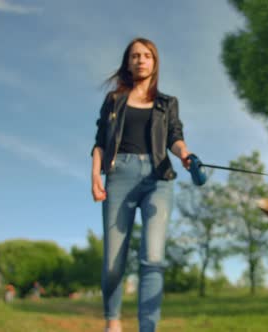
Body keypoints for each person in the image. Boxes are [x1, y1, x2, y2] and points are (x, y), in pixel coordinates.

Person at [90, 37, 192, 332]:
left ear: (154, 61)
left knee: (153, 258)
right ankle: (113, 321)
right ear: (128, 62)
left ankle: (148, 328)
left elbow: (175, 135)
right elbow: (99, 142)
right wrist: (95, 175)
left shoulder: (167, 102)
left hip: (158, 177)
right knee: (113, 261)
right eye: (134, 55)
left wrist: (185, 154)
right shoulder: (113, 101)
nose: (140, 60)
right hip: (118, 173)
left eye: (146, 55)